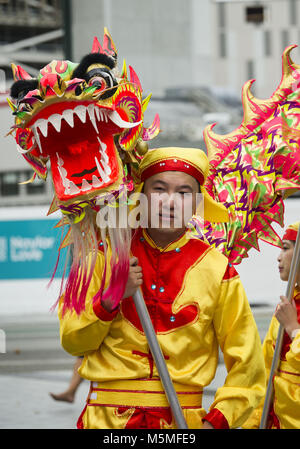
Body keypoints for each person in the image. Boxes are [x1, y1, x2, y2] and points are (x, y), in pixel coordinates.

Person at [58, 147, 265, 429]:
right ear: (141, 195)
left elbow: (249, 367)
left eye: (183, 193)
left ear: (197, 204)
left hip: (183, 422)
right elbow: (73, 342)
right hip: (106, 422)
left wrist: (215, 423)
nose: (170, 202)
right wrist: (110, 299)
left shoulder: (218, 269)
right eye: (159, 189)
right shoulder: (104, 254)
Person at [243, 221, 300, 429]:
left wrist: (294, 328)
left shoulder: (288, 313)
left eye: (285, 248)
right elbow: (267, 370)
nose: (278, 257)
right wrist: (255, 422)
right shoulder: (287, 304)